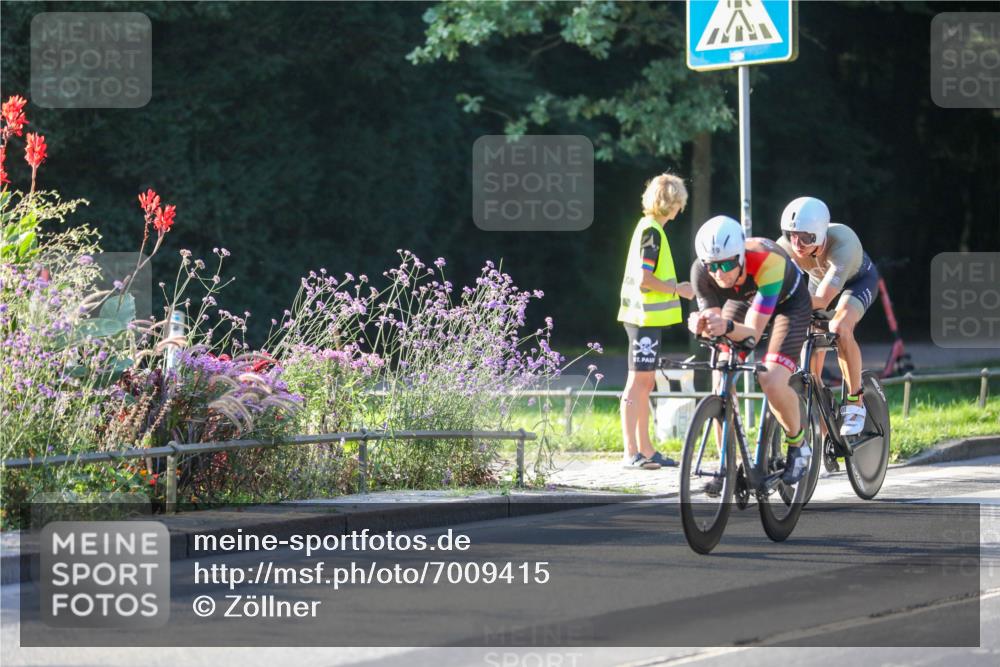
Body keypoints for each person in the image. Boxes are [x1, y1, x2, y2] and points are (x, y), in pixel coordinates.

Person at [688, 215, 813, 491]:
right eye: (712, 266)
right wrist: (701, 325)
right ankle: (726, 468)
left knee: (770, 379)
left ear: (741, 256)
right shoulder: (701, 270)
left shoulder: (768, 262)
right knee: (722, 377)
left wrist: (726, 326)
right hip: (744, 300)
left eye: (727, 265)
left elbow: (752, 335)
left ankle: (799, 445)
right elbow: (713, 323)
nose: (719, 273)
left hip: (789, 305)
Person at [777, 196, 879, 437]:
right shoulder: (786, 245)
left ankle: (855, 401)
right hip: (818, 281)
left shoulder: (844, 243)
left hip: (857, 282)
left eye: (806, 237)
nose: (797, 243)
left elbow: (822, 300)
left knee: (840, 326)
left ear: (821, 234)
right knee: (809, 355)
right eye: (792, 235)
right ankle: (821, 408)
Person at [617, 173, 694, 470]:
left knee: (645, 382)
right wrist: (679, 289)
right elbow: (646, 280)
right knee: (638, 382)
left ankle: (645, 450)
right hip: (643, 318)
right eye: (679, 204)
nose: (680, 210)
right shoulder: (652, 233)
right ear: (673, 203)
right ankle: (631, 452)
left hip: (643, 318)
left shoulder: (647, 228)